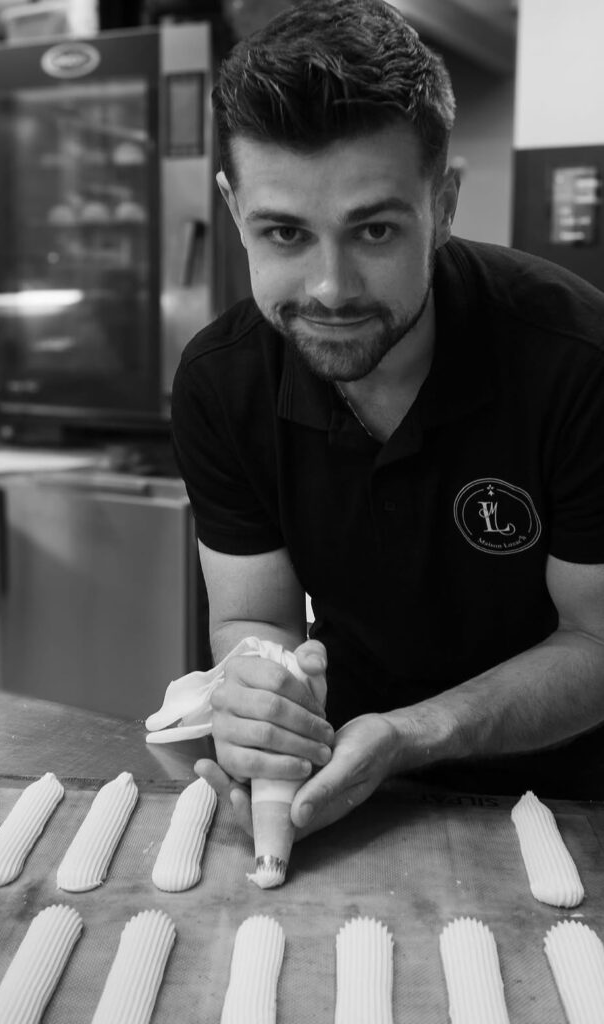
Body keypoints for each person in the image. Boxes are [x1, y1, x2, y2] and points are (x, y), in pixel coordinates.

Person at [170, 0, 604, 840]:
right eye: (284, 232)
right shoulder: (219, 386)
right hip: (350, 794)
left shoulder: (576, 363)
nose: (330, 289)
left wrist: (411, 732)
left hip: (573, 800)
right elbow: (253, 618)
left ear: (441, 203)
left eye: (372, 228)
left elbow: (597, 639)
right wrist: (264, 704)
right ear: (233, 211)